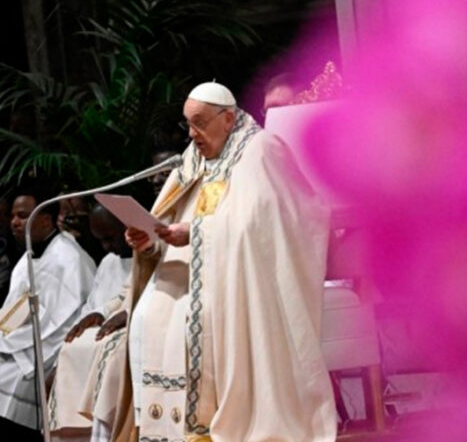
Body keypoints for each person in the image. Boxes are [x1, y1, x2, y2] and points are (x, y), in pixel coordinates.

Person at [109, 82, 336, 441]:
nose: (192, 134)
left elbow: (268, 227)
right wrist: (151, 241)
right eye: (188, 124)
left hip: (243, 285)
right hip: (190, 276)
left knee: (186, 319)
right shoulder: (193, 159)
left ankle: (200, 427)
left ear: (228, 118)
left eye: (199, 123)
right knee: (149, 315)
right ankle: (167, 431)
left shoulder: (260, 151)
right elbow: (170, 222)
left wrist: (196, 234)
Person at [0, 187, 96, 440]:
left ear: (45, 218)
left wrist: (12, 341)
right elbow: (17, 307)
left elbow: (65, 318)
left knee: (8, 378)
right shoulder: (31, 254)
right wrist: (4, 334)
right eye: (13, 216)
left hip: (52, 346)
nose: (14, 222)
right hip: (24, 340)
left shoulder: (71, 258)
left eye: (23, 215)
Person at [47, 205, 132, 442]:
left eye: (109, 238)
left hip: (127, 336)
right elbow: (105, 302)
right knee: (71, 348)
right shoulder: (107, 262)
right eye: (100, 240)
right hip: (104, 332)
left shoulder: (149, 256)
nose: (106, 247)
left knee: (102, 351)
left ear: (126, 227)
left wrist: (126, 314)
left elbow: (136, 295)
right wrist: (97, 313)